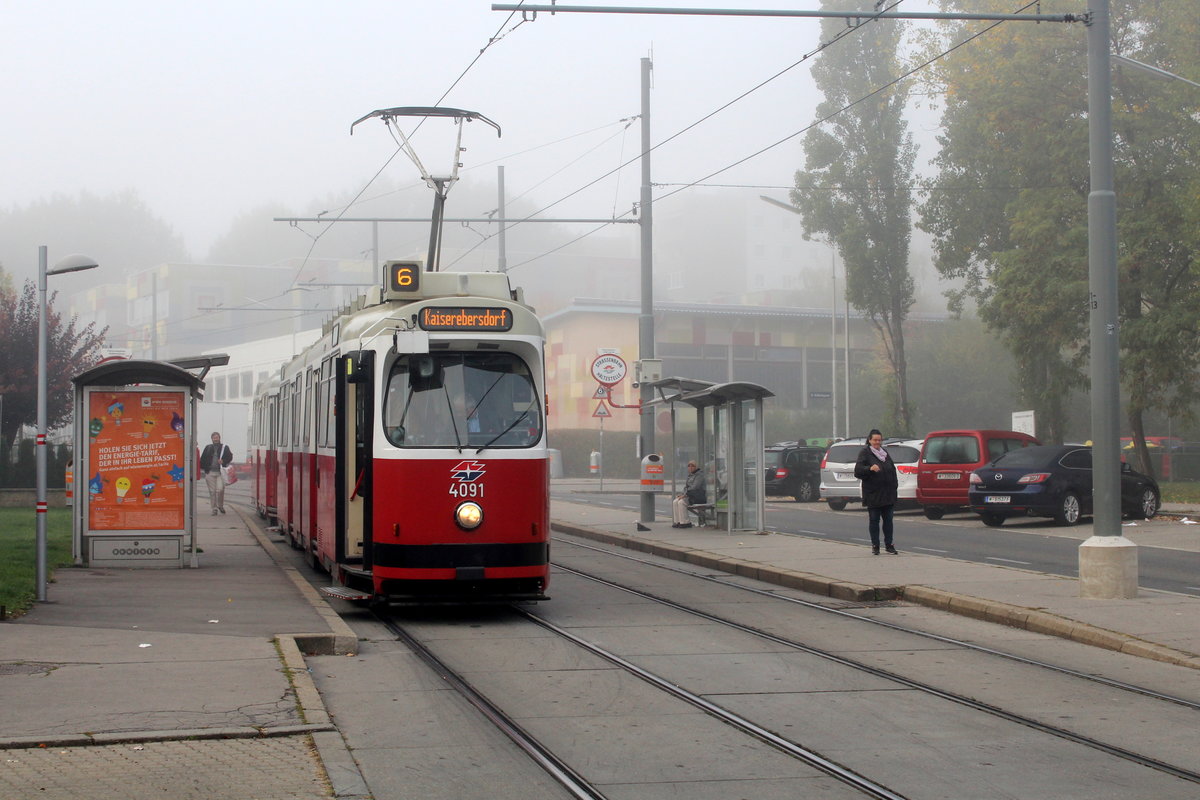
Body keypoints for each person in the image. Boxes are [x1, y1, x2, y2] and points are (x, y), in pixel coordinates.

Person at [854, 429, 899, 555]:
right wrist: (869, 468)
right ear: (869, 440)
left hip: (888, 494)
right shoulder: (865, 453)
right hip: (873, 494)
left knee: (888, 521)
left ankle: (889, 545)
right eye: (875, 440)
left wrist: (894, 486)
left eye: (879, 440)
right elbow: (857, 471)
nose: (877, 442)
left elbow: (892, 470)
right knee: (874, 521)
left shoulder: (884, 453)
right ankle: (875, 545)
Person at [199, 431, 233, 515]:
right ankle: (214, 508)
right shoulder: (208, 448)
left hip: (220, 473)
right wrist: (205, 469)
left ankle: (220, 505)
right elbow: (202, 459)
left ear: (219, 438)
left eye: (217, 437)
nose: (215, 439)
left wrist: (223, 461)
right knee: (212, 491)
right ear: (212, 439)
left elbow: (230, 456)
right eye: (214, 437)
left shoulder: (225, 447)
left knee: (220, 490)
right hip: (210, 472)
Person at [672, 460, 706, 528]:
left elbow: (695, 487)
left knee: (681, 502)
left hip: (697, 497)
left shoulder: (700, 475)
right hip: (689, 495)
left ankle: (686, 522)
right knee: (675, 501)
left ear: (696, 467)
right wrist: (682, 494)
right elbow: (686, 487)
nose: (690, 467)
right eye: (689, 466)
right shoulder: (690, 476)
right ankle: (678, 521)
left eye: (692, 466)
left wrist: (685, 495)